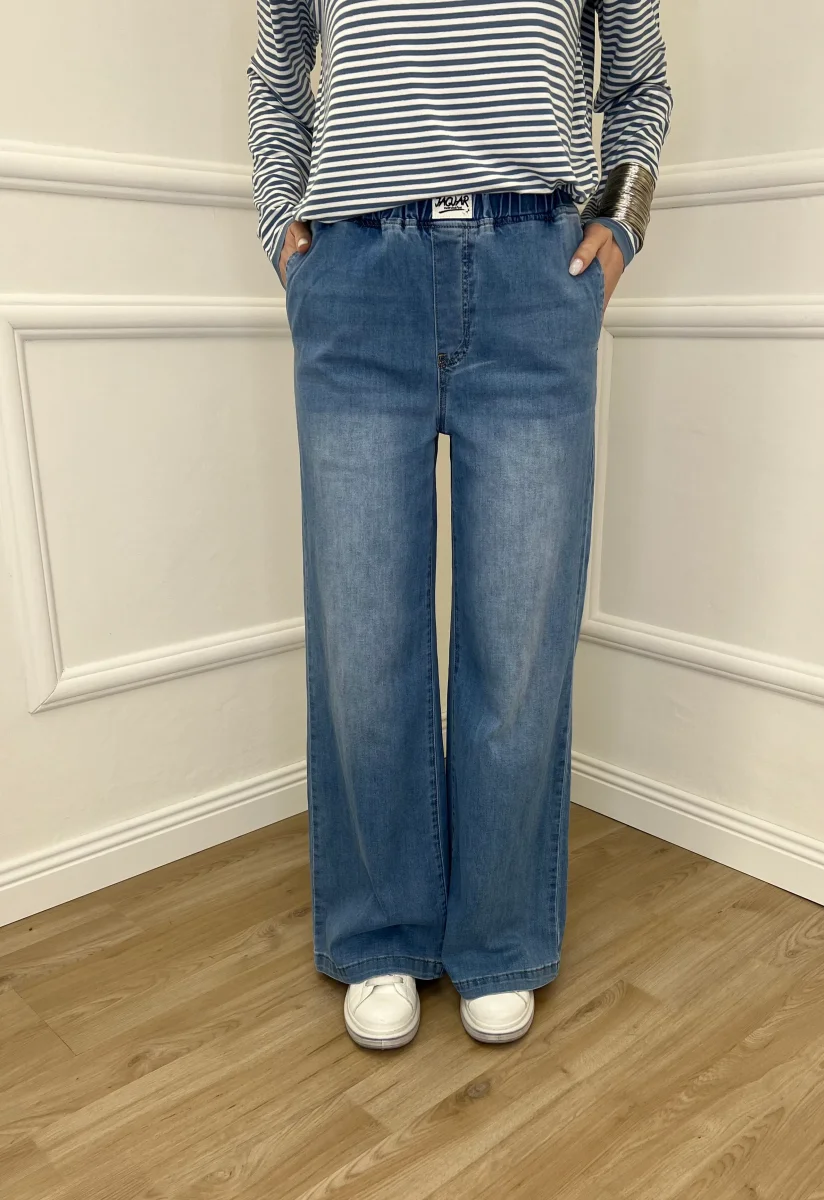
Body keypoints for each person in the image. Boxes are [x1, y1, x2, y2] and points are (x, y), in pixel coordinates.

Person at [248, 0, 672, 1049]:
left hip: (535, 277)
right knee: (363, 640)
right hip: (356, 278)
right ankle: (381, 930)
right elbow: (276, 81)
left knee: (518, 638)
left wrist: (621, 224)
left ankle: (497, 933)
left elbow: (638, 85)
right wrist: (281, 226)